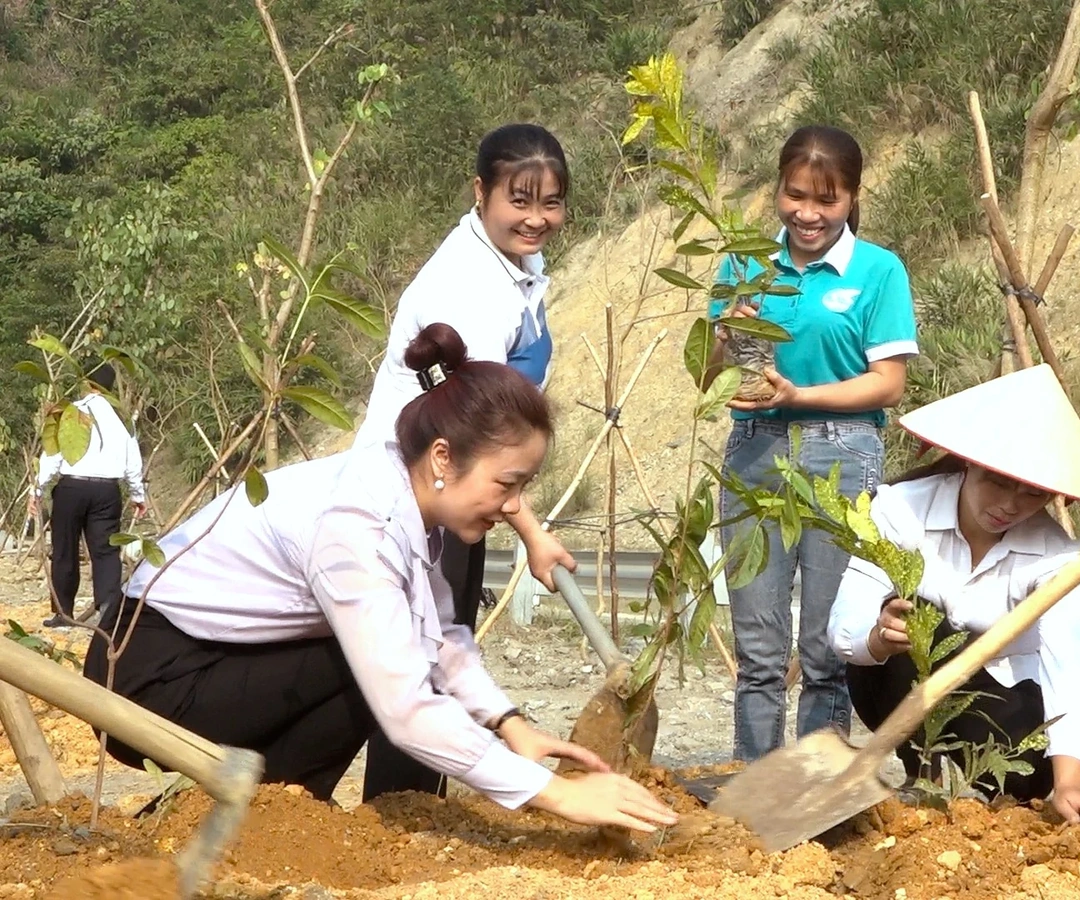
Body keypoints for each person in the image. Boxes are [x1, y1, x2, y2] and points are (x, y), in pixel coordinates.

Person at [84, 324, 678, 832]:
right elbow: (407, 706)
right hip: (143, 681)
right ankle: (256, 815)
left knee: (392, 647)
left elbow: (441, 634)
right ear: (443, 458)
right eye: (507, 484)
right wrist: (555, 794)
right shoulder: (358, 525)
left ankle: (260, 815)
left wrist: (509, 723)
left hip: (220, 661)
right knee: (375, 661)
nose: (513, 506)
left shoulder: (402, 492)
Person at [353, 123, 576, 800]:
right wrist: (533, 531)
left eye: (552, 203)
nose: (537, 219)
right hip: (422, 491)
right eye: (520, 200)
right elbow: (480, 437)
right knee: (421, 663)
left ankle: (416, 810)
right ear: (481, 193)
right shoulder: (467, 284)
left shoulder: (514, 267)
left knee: (440, 653)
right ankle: (400, 813)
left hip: (461, 491)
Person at [828, 365, 1080, 828]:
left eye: (1031, 495)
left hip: (999, 697)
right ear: (968, 463)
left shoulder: (1055, 557)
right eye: (998, 483)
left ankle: (985, 796)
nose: (1009, 505)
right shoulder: (902, 508)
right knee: (918, 622)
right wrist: (879, 636)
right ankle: (920, 769)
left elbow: (1067, 667)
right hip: (903, 685)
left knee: (1028, 775)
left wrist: (1071, 784)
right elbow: (848, 620)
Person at [708, 124, 920, 762]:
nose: (808, 214)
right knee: (759, 649)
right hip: (754, 448)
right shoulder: (745, 262)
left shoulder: (878, 271)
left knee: (829, 645)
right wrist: (725, 333)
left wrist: (797, 395)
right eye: (795, 195)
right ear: (778, 189)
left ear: (852, 198)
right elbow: (709, 370)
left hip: (843, 454)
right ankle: (755, 787)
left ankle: (818, 792)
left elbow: (888, 385)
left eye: (826, 201)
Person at [30, 362, 147, 629]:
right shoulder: (122, 418)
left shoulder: (71, 412)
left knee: (64, 550)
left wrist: (36, 489)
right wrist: (138, 495)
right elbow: (133, 462)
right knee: (105, 551)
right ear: (109, 388)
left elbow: (53, 455)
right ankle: (107, 614)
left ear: (86, 383)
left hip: (72, 488)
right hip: (107, 491)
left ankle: (64, 615)